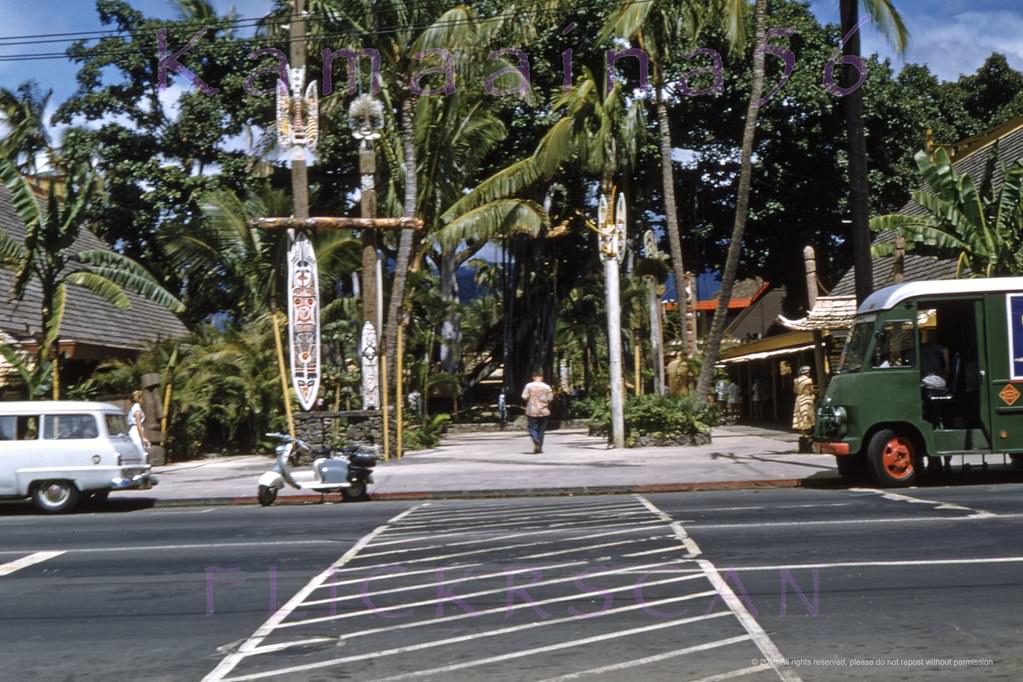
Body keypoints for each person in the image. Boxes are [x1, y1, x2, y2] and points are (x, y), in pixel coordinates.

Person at [521, 372, 553, 454]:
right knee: (541, 430)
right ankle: (539, 447)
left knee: (531, 428)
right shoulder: (547, 386)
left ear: (533, 377)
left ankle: (536, 440)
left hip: (532, 410)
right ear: (541, 377)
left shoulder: (528, 386)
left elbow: (524, 397)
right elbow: (550, 398)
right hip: (544, 410)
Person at [792, 366, 816, 448]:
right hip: (807, 398)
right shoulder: (809, 380)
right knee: (808, 416)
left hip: (799, 399)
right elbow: (811, 390)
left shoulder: (796, 380)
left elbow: (795, 390)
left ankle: (803, 434)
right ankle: (808, 433)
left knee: (800, 416)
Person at [127, 390, 150, 457]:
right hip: (136, 432)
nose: (143, 400)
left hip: (132, 430)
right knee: (140, 453)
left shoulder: (133, 408)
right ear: (139, 399)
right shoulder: (137, 409)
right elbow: (138, 423)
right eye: (142, 398)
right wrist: (143, 437)